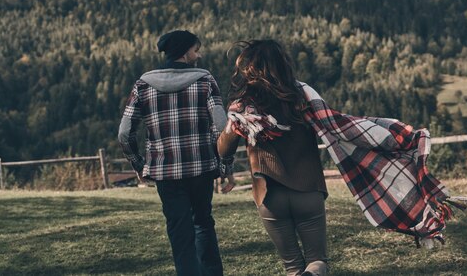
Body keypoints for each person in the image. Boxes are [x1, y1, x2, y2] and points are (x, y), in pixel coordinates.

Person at [118, 30, 233, 276]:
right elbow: (222, 127)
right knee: (202, 223)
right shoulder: (205, 80)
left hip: (165, 172)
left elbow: (124, 133)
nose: (198, 55)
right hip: (202, 168)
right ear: (184, 51)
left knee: (179, 230)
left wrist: (139, 165)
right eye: (195, 49)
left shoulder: (142, 85)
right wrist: (225, 165)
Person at [218, 40, 328, 276]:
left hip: (269, 194)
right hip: (308, 189)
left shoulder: (243, 107)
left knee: (292, 267)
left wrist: (231, 124)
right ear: (284, 64)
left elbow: (223, 150)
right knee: (317, 261)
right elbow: (333, 128)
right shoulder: (304, 96)